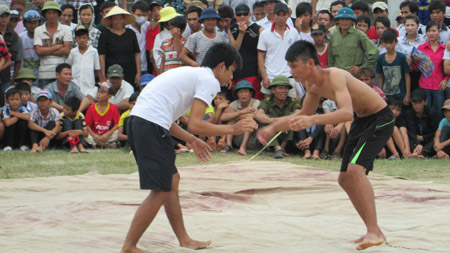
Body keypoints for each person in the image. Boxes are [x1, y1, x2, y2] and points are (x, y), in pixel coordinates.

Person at [257, 40, 393, 250]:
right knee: (344, 179)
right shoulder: (311, 85)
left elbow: (345, 113)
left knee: (356, 171)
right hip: (362, 120)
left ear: (310, 63)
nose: (291, 71)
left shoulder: (335, 75)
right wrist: (273, 127)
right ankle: (372, 230)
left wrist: (313, 120)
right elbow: (303, 114)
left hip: (380, 117)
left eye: (294, 66)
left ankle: (374, 230)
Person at [121, 43, 256, 252]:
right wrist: (234, 129)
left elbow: (169, 120)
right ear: (221, 66)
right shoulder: (209, 80)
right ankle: (129, 246)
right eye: (231, 72)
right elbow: (195, 124)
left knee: (171, 181)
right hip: (148, 125)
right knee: (161, 190)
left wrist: (192, 140)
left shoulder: (194, 75)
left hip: (142, 122)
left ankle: (184, 239)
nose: (231, 79)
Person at [257, 3, 300, 98]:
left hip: (289, 75)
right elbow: (260, 56)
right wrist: (264, 77)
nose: (281, 18)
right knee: (267, 107)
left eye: (284, 15)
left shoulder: (294, 32)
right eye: (278, 14)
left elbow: (298, 54)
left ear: (288, 16)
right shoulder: (265, 34)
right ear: (274, 15)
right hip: (270, 77)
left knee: (294, 106)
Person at [254, 75, 301, 158]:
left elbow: (299, 113)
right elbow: (258, 115)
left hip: (288, 138)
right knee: (265, 119)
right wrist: (274, 122)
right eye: (280, 88)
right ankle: (277, 148)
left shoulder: (293, 102)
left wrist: (283, 122)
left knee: (291, 119)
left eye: (286, 88)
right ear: (273, 90)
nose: (284, 91)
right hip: (269, 137)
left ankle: (282, 148)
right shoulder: (266, 102)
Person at [328, 7, 379, 75]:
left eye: (347, 19)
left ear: (352, 20)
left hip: (354, 75)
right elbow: (330, 58)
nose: (344, 22)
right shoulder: (333, 35)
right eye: (342, 19)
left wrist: (362, 68)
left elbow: (375, 51)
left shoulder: (359, 35)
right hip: (337, 75)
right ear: (338, 20)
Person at [98, 6, 141, 87]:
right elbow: (102, 56)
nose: (118, 22)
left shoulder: (131, 33)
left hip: (130, 72)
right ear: (110, 20)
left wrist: (138, 73)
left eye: (120, 18)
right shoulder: (104, 35)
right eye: (115, 19)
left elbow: (137, 54)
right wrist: (103, 76)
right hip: (112, 74)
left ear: (124, 19)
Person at [229, 3, 264, 100]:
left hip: (252, 72)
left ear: (249, 15)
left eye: (245, 14)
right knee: (238, 102)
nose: (242, 16)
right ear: (235, 16)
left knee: (254, 100)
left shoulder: (259, 29)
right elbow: (234, 50)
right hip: (236, 72)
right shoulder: (231, 29)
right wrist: (241, 33)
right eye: (239, 14)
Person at [34, 1, 72, 88]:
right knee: (45, 100)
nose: (51, 16)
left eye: (54, 13)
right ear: (45, 14)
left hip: (62, 72)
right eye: (49, 13)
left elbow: (66, 50)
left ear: (58, 14)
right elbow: (39, 51)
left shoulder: (66, 29)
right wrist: (57, 47)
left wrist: (46, 50)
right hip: (44, 73)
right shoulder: (38, 30)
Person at [418, 21, 447, 113]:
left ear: (439, 32)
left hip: (439, 85)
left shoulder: (444, 49)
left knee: (439, 111)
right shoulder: (421, 48)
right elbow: (416, 68)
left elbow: (447, 67)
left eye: (434, 31)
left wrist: (446, 79)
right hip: (424, 84)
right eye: (429, 31)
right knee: (425, 111)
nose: (431, 33)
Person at [67, 25, 102, 102]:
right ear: (75, 39)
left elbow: (97, 68)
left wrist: (101, 81)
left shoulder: (93, 51)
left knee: (89, 102)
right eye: (79, 38)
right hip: (75, 84)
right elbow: (68, 65)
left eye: (84, 38)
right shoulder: (73, 52)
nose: (82, 40)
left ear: (88, 38)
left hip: (89, 85)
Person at [376, 29, 411, 105]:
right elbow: (381, 77)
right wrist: (381, 94)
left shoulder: (401, 57)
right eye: (386, 43)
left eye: (391, 42)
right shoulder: (380, 58)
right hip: (386, 94)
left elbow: (407, 76)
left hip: (400, 93)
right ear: (383, 43)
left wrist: (407, 94)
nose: (388, 45)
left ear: (396, 42)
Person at [403, 88, 440, 158]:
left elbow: (436, 131)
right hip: (414, 140)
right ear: (411, 102)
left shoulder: (432, 113)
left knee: (435, 141)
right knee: (408, 138)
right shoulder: (409, 113)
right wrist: (417, 143)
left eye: (419, 102)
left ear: (425, 102)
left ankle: (420, 153)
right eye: (414, 102)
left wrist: (423, 138)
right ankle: (419, 153)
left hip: (428, 140)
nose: (417, 105)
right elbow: (411, 131)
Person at [84, 82, 120, 148]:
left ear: (109, 96)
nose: (98, 94)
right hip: (94, 135)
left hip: (108, 135)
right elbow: (87, 125)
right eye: (98, 92)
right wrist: (94, 135)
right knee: (84, 133)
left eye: (102, 93)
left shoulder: (113, 108)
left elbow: (117, 124)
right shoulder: (92, 108)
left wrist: (107, 134)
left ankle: (97, 144)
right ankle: (105, 145)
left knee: (118, 132)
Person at [397, 14, 426, 93]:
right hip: (404, 73)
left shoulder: (424, 39)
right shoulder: (399, 41)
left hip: (421, 73)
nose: (410, 28)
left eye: (412, 25)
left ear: (418, 25)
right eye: (407, 25)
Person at [126, 1, 150, 76]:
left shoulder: (147, 25)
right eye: (138, 15)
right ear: (132, 13)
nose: (142, 18)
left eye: (144, 15)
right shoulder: (127, 29)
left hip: (145, 67)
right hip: (131, 67)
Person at [0, 5, 21, 89]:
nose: (4, 19)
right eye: (1, 16)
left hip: (5, 74)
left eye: (6, 16)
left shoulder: (14, 35)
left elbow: (13, 55)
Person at [20, 10, 40, 87]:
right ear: (25, 24)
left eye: (35, 23)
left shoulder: (43, 36)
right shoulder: (21, 38)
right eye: (29, 23)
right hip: (25, 74)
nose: (32, 25)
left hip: (39, 74)